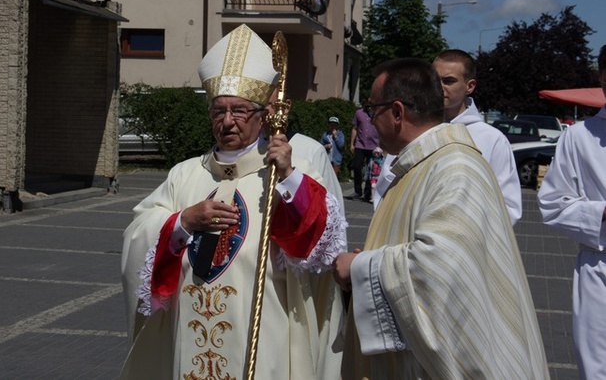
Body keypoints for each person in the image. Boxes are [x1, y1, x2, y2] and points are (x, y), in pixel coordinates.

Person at [120, 24, 347, 379]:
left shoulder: (283, 171)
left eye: (239, 111)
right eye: (218, 111)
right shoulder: (184, 175)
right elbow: (138, 239)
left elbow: (317, 244)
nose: (227, 121)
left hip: (264, 334)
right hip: (191, 336)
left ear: (262, 115)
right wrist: (182, 223)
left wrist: (289, 178)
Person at [332, 58, 548, 379]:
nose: (369, 120)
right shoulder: (420, 164)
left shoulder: (454, 168)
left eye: (372, 109)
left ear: (397, 113)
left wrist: (359, 268)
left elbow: (441, 269)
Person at [373, 49, 523, 226]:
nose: (440, 87)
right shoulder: (411, 128)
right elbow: (385, 190)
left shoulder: (492, 140)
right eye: (435, 80)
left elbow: (508, 207)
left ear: (470, 86)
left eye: (449, 81)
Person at [538, 45, 606, 379]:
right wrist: (602, 213)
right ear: (602, 78)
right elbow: (552, 204)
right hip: (600, 268)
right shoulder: (579, 137)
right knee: (598, 369)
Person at [350, 105, 378, 202]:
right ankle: (358, 191)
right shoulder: (359, 113)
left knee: (372, 171)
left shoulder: (378, 113)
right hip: (360, 145)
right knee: (357, 167)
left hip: (374, 146)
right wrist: (352, 144)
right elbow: (355, 128)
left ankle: (368, 193)